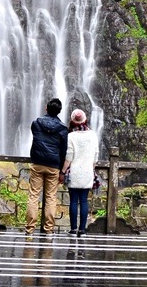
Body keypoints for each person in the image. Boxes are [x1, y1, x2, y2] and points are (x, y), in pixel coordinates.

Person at [25, 98, 68, 235]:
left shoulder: (36, 123)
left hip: (37, 163)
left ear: (46, 108)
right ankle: (48, 229)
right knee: (50, 197)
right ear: (60, 111)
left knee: (33, 196)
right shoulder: (62, 129)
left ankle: (30, 228)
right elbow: (64, 150)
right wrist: (62, 170)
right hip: (53, 165)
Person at [60, 108, 99, 237]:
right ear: (85, 120)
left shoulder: (71, 136)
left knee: (73, 201)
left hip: (74, 172)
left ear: (72, 121)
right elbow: (96, 156)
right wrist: (91, 168)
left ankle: (73, 229)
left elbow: (69, 156)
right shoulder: (93, 135)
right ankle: (82, 230)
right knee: (83, 201)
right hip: (87, 171)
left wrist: (63, 171)